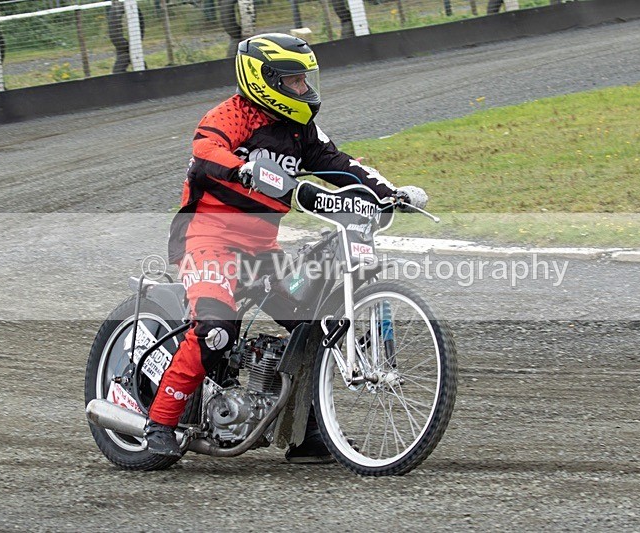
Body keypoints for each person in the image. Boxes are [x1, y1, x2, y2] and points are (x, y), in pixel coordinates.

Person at [143, 33, 428, 463]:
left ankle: (306, 431)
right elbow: (204, 153)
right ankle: (159, 424)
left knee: (313, 324)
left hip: (261, 248)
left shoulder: (301, 130)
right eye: (294, 81)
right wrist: (242, 171)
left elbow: (341, 165)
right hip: (207, 238)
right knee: (215, 330)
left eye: (304, 79)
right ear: (264, 79)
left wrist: (390, 193)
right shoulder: (231, 115)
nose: (303, 89)